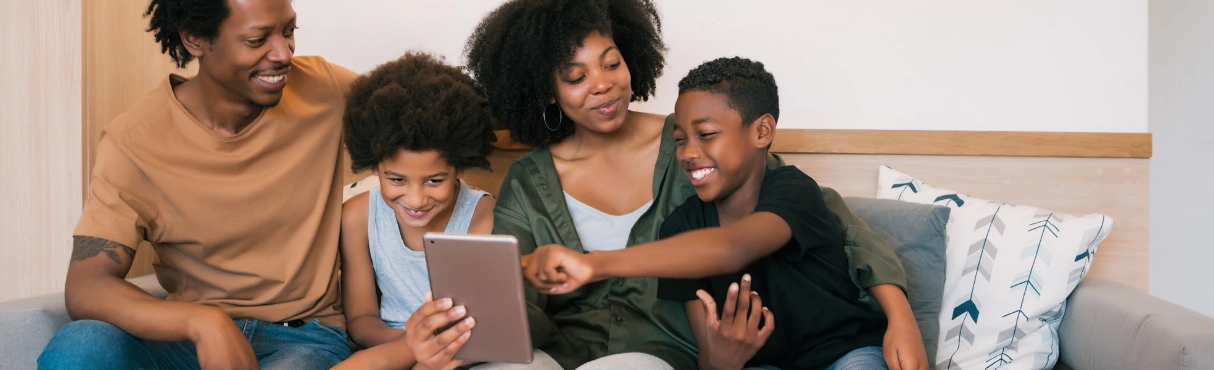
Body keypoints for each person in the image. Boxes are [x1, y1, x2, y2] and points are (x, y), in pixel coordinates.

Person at [457, 0, 925, 369]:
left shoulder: (694, 142)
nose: (602, 85)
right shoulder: (529, 179)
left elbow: (827, 220)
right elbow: (509, 287)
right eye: (576, 77)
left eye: (612, 64)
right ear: (546, 90)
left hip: (663, 355)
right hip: (563, 353)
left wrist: (900, 317)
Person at [37, 0, 358, 368]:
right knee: (81, 346)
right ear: (195, 39)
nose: (283, 54)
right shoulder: (134, 142)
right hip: (184, 342)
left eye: (288, 31)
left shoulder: (326, 91)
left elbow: (424, 131)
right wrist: (203, 322)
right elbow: (87, 285)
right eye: (256, 40)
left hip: (304, 337)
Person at [331, 52, 499, 370]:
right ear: (373, 167)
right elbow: (362, 320)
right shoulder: (357, 217)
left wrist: (429, 354)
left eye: (434, 180)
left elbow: (483, 332)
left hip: (465, 353)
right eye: (396, 180)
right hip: (397, 345)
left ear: (460, 167)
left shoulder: (483, 219)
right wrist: (415, 346)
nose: (417, 199)